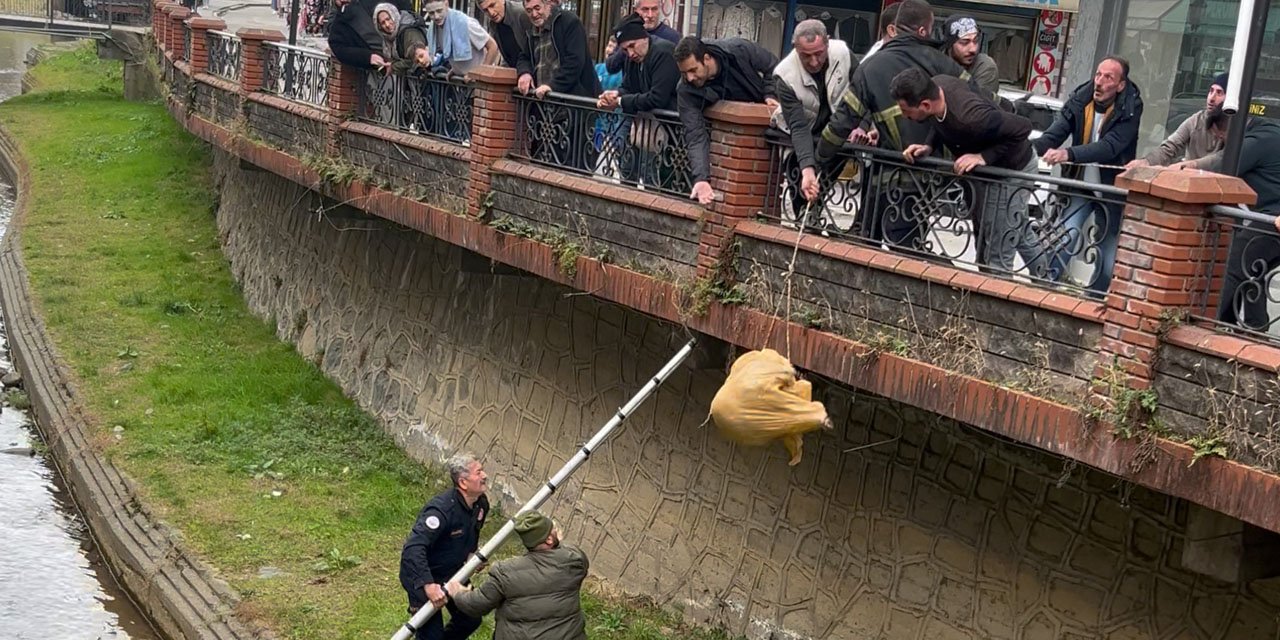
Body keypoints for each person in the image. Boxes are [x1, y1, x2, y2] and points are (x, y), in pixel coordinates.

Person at [815, 0, 968, 247]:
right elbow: (976, 98)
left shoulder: (871, 66)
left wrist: (819, 158)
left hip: (882, 177)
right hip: (927, 176)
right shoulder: (942, 63)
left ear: (894, 29)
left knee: (868, 242)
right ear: (924, 30)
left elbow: (842, 122)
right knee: (907, 247)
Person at [892, 67, 1046, 275]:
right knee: (1015, 228)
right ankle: (1050, 279)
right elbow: (939, 121)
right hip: (994, 171)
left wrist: (983, 157)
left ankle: (996, 293)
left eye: (906, 111)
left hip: (1013, 168)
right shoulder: (937, 87)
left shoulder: (971, 116)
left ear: (925, 104)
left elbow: (1023, 127)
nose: (904, 116)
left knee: (996, 244)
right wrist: (928, 146)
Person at [1034, 56, 1142, 297]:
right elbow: (1055, 134)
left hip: (1111, 188)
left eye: (1108, 77)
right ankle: (1043, 289)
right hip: (1081, 183)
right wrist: (1026, 148)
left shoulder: (1131, 108)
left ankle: (1095, 301)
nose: (1100, 82)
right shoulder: (1080, 100)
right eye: (1098, 75)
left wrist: (1068, 154)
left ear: (1121, 85)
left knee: (1108, 252)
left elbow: (1110, 147)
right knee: (1067, 234)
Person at [446, 511, 589, 640]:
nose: (557, 531)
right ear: (550, 540)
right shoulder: (573, 561)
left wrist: (458, 593)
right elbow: (575, 553)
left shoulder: (506, 572)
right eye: (554, 530)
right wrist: (559, 541)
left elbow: (477, 605)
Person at [674, 35, 779, 205]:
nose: (690, 78)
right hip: (733, 142)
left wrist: (770, 94)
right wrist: (701, 179)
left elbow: (774, 66)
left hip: (769, 126)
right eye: (684, 73)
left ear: (706, 58)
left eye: (693, 70)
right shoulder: (686, 91)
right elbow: (695, 136)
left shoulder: (738, 50)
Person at [771, 19, 858, 225]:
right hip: (804, 132)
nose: (813, 62)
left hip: (838, 129)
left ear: (828, 42)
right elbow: (798, 127)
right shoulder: (784, 75)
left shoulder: (843, 53)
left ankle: (847, 224)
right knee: (799, 170)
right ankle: (805, 217)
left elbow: (862, 92)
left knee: (833, 163)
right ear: (795, 48)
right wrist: (807, 169)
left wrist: (862, 126)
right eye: (805, 56)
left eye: (818, 53)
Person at [399, 454, 491, 640]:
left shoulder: (480, 504)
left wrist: (470, 556)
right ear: (463, 483)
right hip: (423, 575)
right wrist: (428, 585)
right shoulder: (441, 511)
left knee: (470, 617)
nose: (485, 475)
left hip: (453, 574)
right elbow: (414, 548)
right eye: (479, 472)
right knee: (430, 634)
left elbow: (471, 534)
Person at [1206, 110, 1280, 330]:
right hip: (1270, 216)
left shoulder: (1254, 142)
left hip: (1271, 218)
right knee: (1254, 272)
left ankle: (1206, 324)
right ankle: (1254, 327)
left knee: (1237, 264)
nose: (1221, 143)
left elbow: (1222, 169)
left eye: (1220, 137)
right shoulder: (1269, 134)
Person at [597, 13, 681, 189]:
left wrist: (620, 101)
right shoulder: (632, 58)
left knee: (658, 179)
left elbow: (657, 97)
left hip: (671, 128)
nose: (630, 53)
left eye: (632, 46)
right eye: (625, 49)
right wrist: (613, 95)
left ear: (643, 37)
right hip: (644, 123)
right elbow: (628, 86)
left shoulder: (663, 52)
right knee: (627, 167)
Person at [1134, 73, 1228, 170]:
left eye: (1219, 93)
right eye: (1211, 91)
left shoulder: (1237, 130)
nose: (1211, 98)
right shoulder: (1196, 120)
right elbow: (1171, 146)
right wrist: (1146, 161)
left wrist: (1190, 165)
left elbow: (1221, 158)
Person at [516, 0, 599, 98]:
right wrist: (524, 73)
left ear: (547, 4)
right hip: (543, 101)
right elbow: (524, 57)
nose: (534, 14)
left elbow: (575, 61)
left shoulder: (569, 22)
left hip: (573, 101)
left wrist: (552, 86)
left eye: (537, 8)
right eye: (529, 10)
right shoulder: (530, 30)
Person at [417, 0, 499, 75]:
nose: (436, 16)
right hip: (463, 82)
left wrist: (480, 73)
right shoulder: (434, 28)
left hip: (480, 82)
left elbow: (493, 46)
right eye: (431, 13)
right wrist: (455, 70)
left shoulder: (465, 23)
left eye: (439, 11)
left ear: (446, 4)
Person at [601, 0, 679, 74]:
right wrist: (628, 47)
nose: (650, 15)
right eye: (645, 9)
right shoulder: (627, 33)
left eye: (654, 9)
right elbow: (611, 67)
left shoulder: (672, 37)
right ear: (636, 10)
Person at [940, 14, 999, 96]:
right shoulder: (935, 61)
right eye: (964, 42)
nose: (973, 49)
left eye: (975, 41)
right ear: (950, 44)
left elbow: (977, 104)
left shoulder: (984, 65)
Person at [327, 0, 388, 70]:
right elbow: (338, 47)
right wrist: (368, 57)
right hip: (382, 67)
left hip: (399, 54)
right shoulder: (339, 21)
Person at [478, 0, 533, 68]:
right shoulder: (493, 24)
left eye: (492, 5)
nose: (491, 13)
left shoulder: (522, 13)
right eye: (485, 10)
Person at [374, 2, 427, 73]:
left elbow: (415, 59)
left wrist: (393, 67)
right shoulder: (388, 39)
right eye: (383, 23)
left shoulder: (409, 32)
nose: (387, 24)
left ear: (394, 15)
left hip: (422, 79)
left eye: (388, 19)